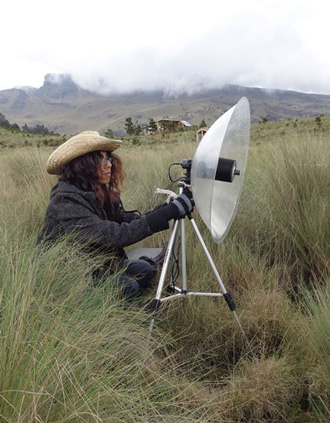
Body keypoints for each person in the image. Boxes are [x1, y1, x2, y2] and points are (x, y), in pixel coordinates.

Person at [37, 130, 194, 296]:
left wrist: (167, 208)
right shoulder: (65, 201)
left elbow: (126, 219)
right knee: (128, 286)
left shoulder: (96, 191)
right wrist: (169, 212)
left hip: (96, 263)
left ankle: (125, 302)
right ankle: (116, 313)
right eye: (101, 159)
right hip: (66, 273)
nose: (109, 164)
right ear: (83, 166)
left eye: (109, 158)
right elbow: (114, 235)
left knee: (145, 269)